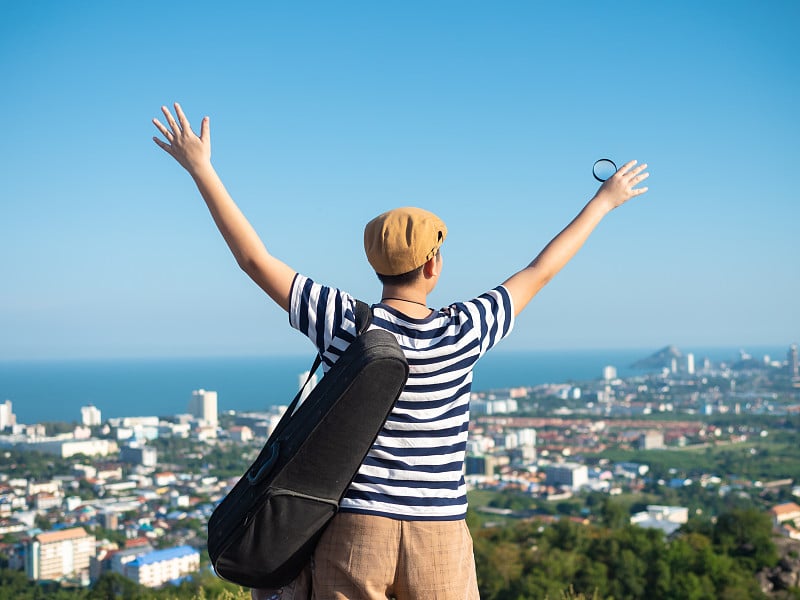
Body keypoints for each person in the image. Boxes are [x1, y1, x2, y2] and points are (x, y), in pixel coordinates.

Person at [152, 103, 649, 600]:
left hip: (355, 531)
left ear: (375, 265)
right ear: (432, 265)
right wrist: (604, 202)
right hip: (440, 534)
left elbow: (254, 259)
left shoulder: (342, 321)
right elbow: (540, 270)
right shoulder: (463, 330)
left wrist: (202, 169)